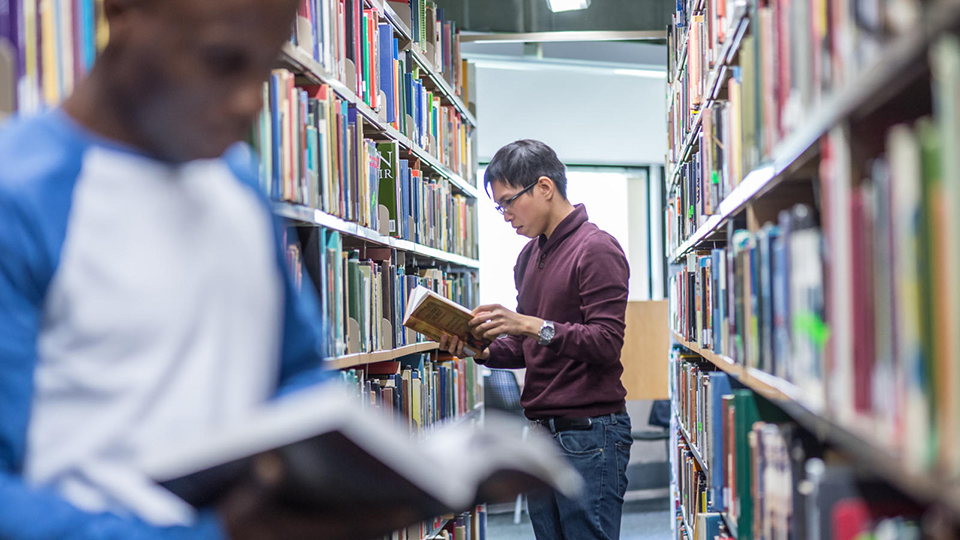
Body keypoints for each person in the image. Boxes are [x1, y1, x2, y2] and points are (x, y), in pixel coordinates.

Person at [0, 0, 417, 538]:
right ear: (123, 12)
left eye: (266, 68)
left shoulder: (237, 184)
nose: (249, 102)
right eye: (221, 60)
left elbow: (293, 371)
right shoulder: (20, 198)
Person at [440, 139, 633, 540]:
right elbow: (531, 348)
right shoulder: (528, 258)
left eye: (509, 202)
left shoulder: (596, 248)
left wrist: (528, 324)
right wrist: (482, 346)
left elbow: (605, 341)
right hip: (542, 433)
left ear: (544, 188)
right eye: (499, 206)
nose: (505, 215)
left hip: (590, 433)